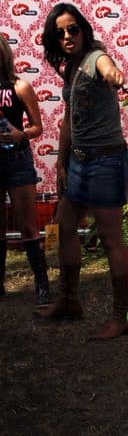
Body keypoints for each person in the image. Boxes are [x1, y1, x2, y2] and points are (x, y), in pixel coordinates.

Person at [37, 3, 128, 340]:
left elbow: (108, 67)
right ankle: (69, 301)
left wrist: (113, 75)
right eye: (60, 32)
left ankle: (122, 316)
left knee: (110, 239)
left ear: (83, 30)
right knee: (64, 228)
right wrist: (61, 163)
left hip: (106, 161)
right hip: (78, 162)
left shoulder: (94, 58)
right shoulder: (71, 67)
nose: (67, 36)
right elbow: (67, 122)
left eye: (72, 29)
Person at [0, 35, 50, 306]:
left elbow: (37, 127)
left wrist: (20, 134)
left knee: (27, 225)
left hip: (17, 160)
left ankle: (42, 285)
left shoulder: (20, 86)